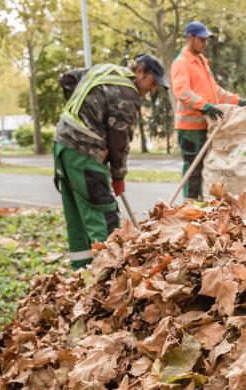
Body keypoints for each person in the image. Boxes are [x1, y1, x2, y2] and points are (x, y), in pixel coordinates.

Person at [53, 54, 167, 269]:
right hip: (84, 154)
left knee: (77, 216)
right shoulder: (128, 94)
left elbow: (67, 79)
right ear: (140, 71)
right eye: (153, 82)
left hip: (62, 145)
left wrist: (84, 121)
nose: (152, 89)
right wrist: (118, 177)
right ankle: (107, 279)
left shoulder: (105, 70)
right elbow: (119, 142)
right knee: (104, 217)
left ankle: (81, 272)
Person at [171, 21, 246, 200]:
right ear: (190, 38)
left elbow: (215, 92)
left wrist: (238, 101)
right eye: (201, 39)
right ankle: (189, 204)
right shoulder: (182, 63)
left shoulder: (201, 62)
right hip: (190, 127)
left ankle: (197, 203)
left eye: (206, 40)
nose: (205, 44)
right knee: (193, 168)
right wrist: (204, 106)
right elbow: (182, 91)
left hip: (204, 125)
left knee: (203, 168)